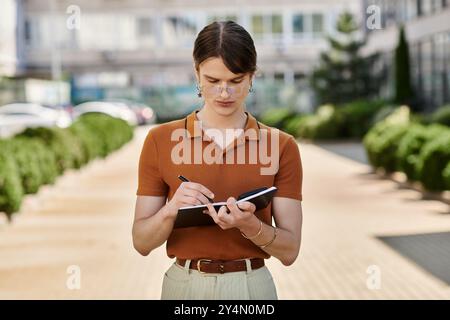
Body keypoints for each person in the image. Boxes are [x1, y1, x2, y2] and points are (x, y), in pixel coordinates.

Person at [132, 20, 303, 300]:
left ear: (252, 77)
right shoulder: (159, 140)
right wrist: (171, 209)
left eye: (236, 81)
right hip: (184, 287)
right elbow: (141, 242)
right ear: (197, 73)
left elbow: (290, 250)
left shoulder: (281, 146)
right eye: (213, 81)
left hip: (252, 289)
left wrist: (250, 226)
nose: (224, 93)